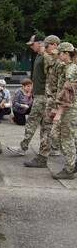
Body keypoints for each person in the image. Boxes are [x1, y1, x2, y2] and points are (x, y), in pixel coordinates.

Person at [8, 35, 60, 167]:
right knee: (45, 124)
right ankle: (53, 147)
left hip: (44, 96)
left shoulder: (46, 57)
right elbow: (37, 76)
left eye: (32, 44)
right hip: (40, 94)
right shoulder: (38, 56)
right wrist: (31, 91)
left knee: (33, 121)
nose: (31, 47)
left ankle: (23, 147)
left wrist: (50, 96)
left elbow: (52, 77)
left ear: (40, 43)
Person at [50, 42, 77, 179]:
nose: (58, 55)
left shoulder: (71, 70)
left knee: (66, 139)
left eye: (59, 53)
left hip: (69, 110)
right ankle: (72, 161)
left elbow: (68, 94)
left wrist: (59, 112)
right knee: (55, 136)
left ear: (66, 53)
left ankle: (69, 168)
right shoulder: (66, 67)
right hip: (66, 108)